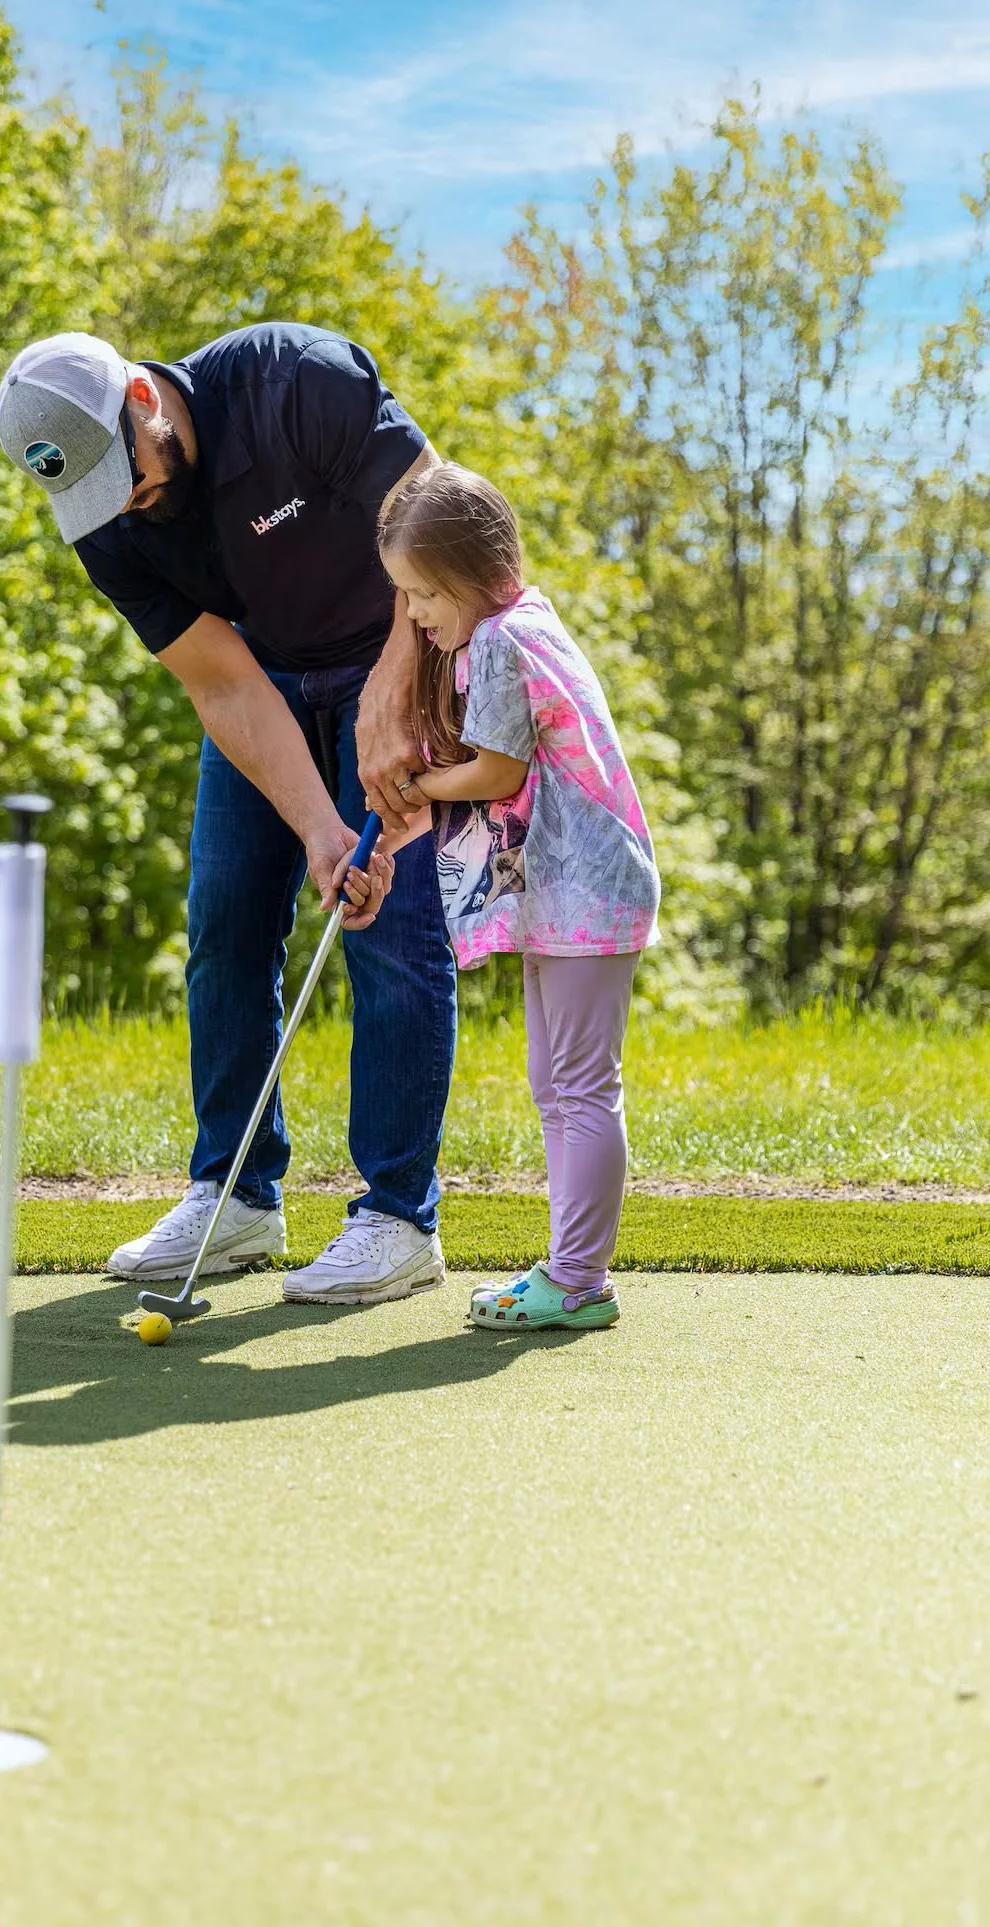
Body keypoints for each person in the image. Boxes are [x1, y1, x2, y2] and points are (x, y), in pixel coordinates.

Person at [0, 325, 456, 1304]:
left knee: (392, 929)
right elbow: (222, 683)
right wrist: (321, 830)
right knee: (225, 925)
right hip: (266, 680)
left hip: (402, 641)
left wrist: (396, 691)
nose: (127, 503)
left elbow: (442, 529)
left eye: (128, 475)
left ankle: (398, 1218)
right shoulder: (104, 521)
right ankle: (237, 1195)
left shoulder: (295, 379)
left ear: (144, 403)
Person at [373, 462, 661, 1330]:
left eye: (425, 593)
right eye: (405, 594)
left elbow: (497, 772)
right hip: (567, 891)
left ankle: (577, 1281)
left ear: (474, 570)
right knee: (558, 1084)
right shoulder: (521, 622)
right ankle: (569, 1271)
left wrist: (420, 786)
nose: (414, 614)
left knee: (580, 1088)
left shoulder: (501, 640)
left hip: (585, 889)